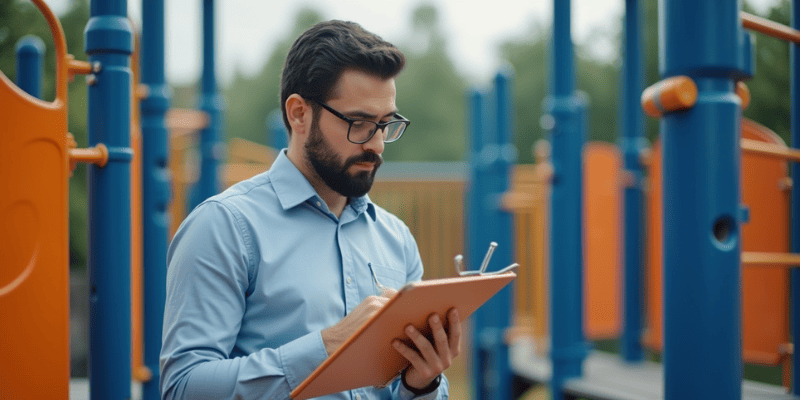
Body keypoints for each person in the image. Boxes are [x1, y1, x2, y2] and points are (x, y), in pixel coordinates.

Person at [160, 20, 461, 400]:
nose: (377, 145)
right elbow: (183, 387)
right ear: (299, 113)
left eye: (386, 124)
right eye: (359, 123)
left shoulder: (396, 238)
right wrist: (327, 346)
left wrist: (422, 384)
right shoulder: (224, 227)